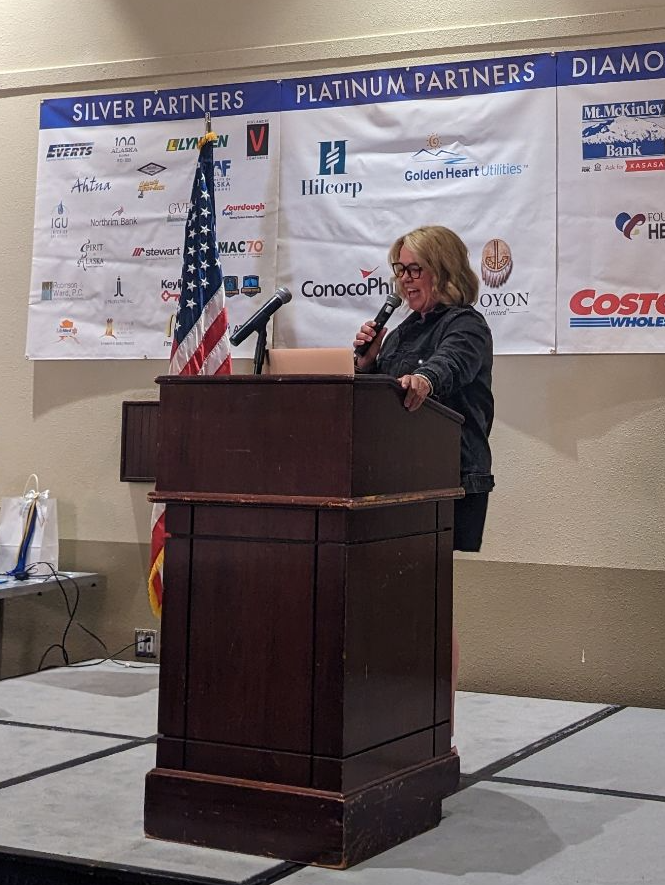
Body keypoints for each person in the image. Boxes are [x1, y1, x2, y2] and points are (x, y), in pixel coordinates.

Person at [353, 224, 494, 747]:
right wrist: (367, 367)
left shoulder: (467, 325)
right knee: (400, 605)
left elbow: (447, 368)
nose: (405, 280)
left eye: (415, 268)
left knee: (429, 603)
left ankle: (438, 732)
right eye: (399, 269)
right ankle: (400, 726)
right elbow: (379, 408)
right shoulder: (401, 332)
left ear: (445, 269)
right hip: (392, 482)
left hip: (445, 480)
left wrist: (424, 380)